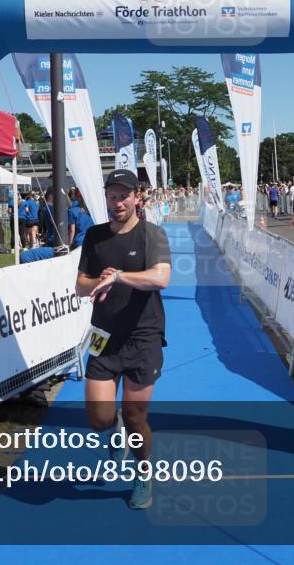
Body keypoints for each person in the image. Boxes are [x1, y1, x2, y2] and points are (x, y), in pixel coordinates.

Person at [76, 169, 171, 510]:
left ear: (137, 198)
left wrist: (119, 277)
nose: (117, 202)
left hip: (143, 338)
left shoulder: (152, 235)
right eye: (112, 196)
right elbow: (80, 285)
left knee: (135, 417)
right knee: (99, 420)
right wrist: (98, 281)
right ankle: (113, 426)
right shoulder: (95, 236)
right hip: (104, 337)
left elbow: (161, 278)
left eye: (123, 196)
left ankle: (143, 474)